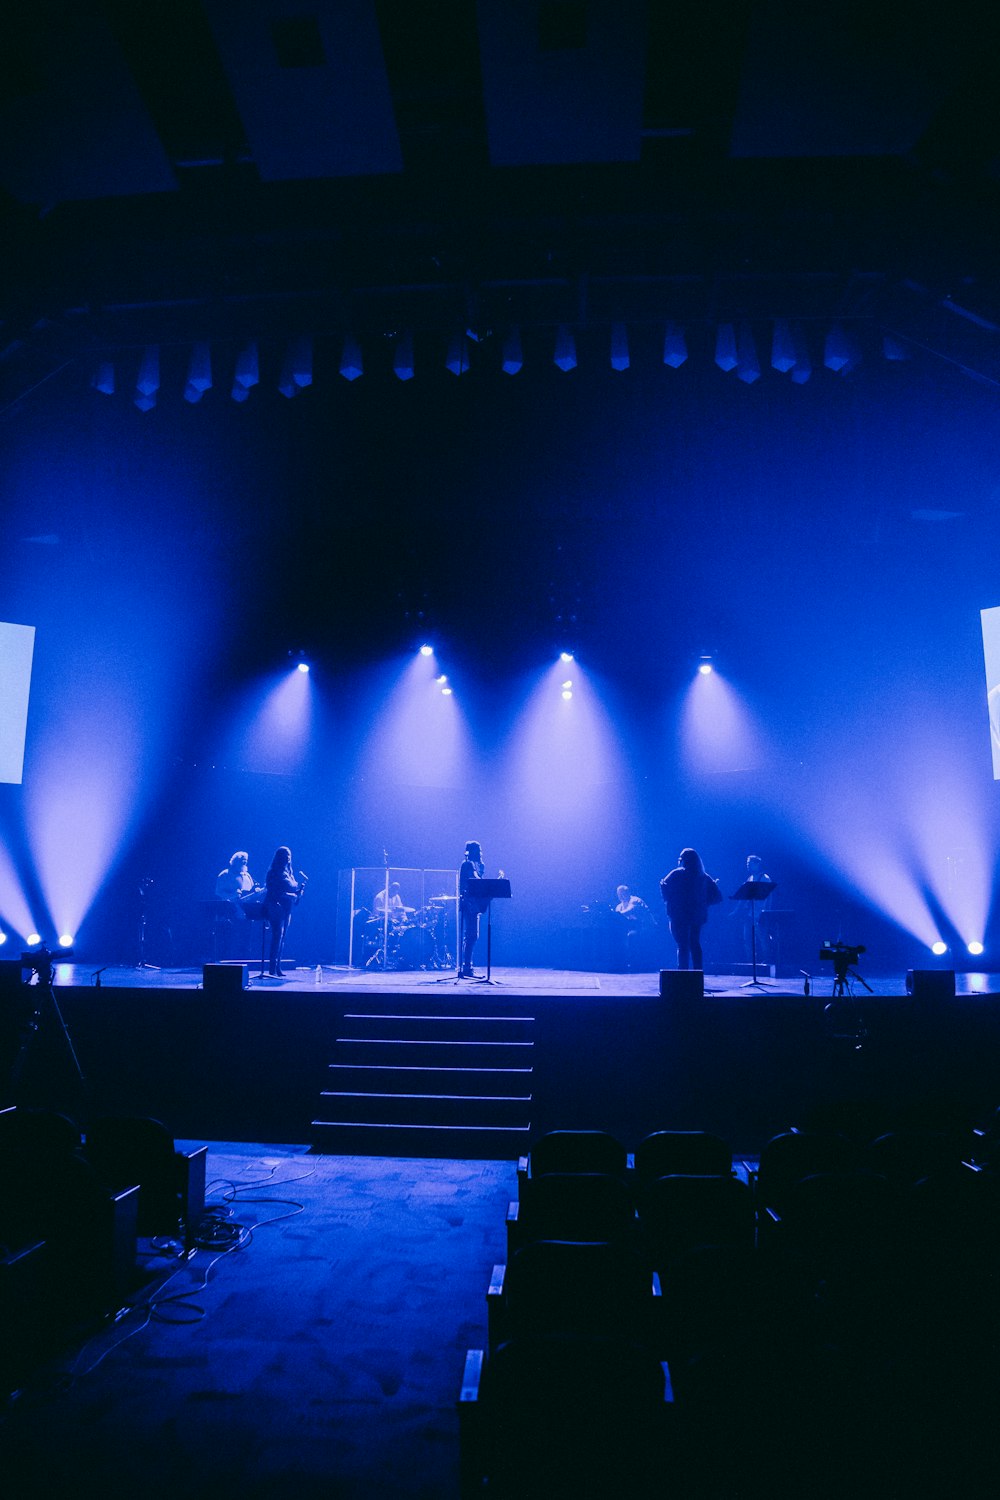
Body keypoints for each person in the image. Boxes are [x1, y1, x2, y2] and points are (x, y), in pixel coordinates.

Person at [659, 849, 722, 971]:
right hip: (696, 916)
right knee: (695, 944)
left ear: (683, 860)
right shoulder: (703, 876)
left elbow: (665, 888)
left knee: (682, 946)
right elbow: (717, 896)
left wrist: (665, 892)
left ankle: (683, 976)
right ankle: (698, 975)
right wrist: (704, 904)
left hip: (678, 915)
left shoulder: (677, 874)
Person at [264, 845, 304, 978]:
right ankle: (272, 968)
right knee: (277, 936)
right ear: (279, 858)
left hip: (287, 908)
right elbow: (274, 891)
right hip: (275, 906)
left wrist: (298, 893)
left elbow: (293, 892)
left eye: (289, 855)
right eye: (285, 855)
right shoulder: (273, 872)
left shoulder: (288, 873)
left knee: (282, 937)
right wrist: (289, 895)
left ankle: (277, 967)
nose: (288, 858)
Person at [741, 854, 774, 965]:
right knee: (747, 939)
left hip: (761, 914)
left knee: (762, 938)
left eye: (750, 864)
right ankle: (750, 962)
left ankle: (767, 961)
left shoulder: (765, 878)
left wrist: (766, 913)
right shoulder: (749, 879)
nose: (748, 866)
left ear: (757, 864)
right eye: (747, 864)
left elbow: (769, 896)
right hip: (750, 914)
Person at [459, 840, 485, 977]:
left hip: (475, 904)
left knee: (472, 935)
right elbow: (474, 880)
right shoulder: (467, 864)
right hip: (469, 903)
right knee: (471, 935)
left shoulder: (479, 865)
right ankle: (467, 967)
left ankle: (468, 966)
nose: (480, 852)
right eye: (478, 850)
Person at [614, 884, 651, 972]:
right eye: (619, 894)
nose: (621, 895)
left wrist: (615, 915)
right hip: (632, 927)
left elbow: (629, 911)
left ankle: (634, 963)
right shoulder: (619, 906)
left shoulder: (635, 900)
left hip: (645, 927)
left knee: (631, 936)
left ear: (628, 892)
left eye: (623, 893)